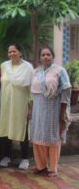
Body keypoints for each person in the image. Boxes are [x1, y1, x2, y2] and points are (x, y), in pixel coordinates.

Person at [30, 46, 71, 177]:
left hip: (54, 108)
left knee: (53, 137)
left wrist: (62, 113)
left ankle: (53, 168)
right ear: (40, 57)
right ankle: (40, 166)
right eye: (43, 55)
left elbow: (66, 90)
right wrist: (30, 109)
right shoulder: (37, 71)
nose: (46, 57)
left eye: (48, 54)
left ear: (53, 57)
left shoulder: (60, 70)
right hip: (38, 108)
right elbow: (33, 92)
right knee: (38, 137)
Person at [0, 44, 34, 170]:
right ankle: (6, 157)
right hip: (6, 103)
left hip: (21, 104)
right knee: (6, 129)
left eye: (14, 51)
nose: (11, 53)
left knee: (22, 130)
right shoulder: (4, 66)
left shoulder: (28, 67)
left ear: (20, 52)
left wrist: (30, 107)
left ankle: (25, 159)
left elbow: (31, 89)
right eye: (9, 51)